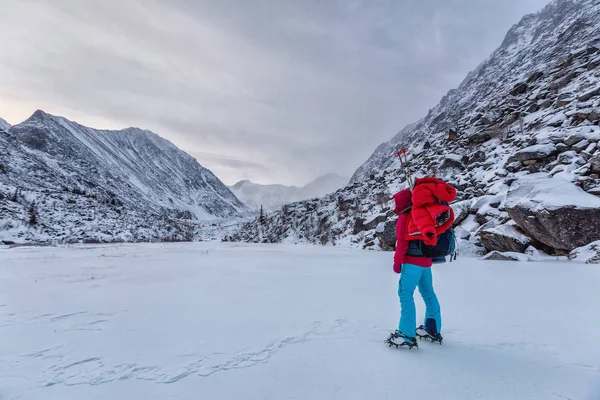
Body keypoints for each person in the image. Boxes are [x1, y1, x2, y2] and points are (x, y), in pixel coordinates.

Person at [386, 178, 456, 349]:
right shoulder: (423, 213)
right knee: (428, 294)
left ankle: (406, 334)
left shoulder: (405, 217)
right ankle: (432, 329)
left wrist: (397, 263)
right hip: (426, 262)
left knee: (405, 294)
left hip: (411, 263)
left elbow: (402, 243)